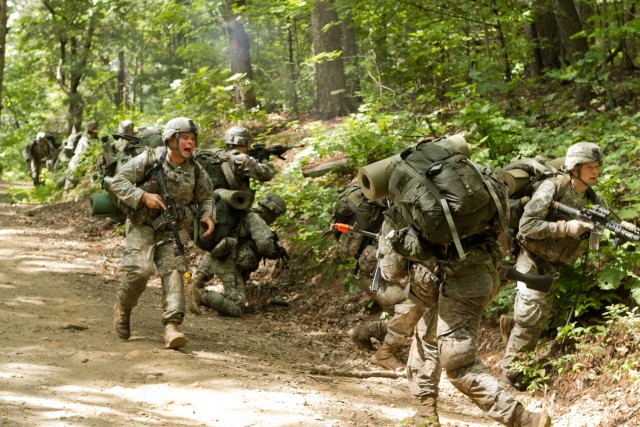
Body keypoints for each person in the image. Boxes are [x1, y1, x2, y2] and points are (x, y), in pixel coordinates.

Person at [377, 139, 551, 426]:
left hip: (457, 285)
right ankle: (425, 414)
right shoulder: (470, 189)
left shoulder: (401, 214)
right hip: (477, 275)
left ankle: (523, 419)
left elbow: (392, 272)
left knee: (458, 363)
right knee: (426, 340)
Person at [499, 142, 603, 389]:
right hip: (532, 258)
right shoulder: (551, 187)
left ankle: (511, 327)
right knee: (531, 317)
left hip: (555, 266)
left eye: (597, 167)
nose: (595, 172)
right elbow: (527, 226)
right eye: (589, 167)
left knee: (538, 318)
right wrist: (565, 228)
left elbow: (611, 220)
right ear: (574, 168)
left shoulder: (591, 197)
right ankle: (508, 376)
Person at [110, 117, 215, 349]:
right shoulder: (150, 159)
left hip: (172, 229)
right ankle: (123, 308)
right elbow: (117, 182)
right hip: (142, 225)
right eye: (185, 138)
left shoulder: (195, 170)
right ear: (171, 140)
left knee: (175, 272)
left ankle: (171, 327)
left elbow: (206, 195)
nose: (190, 143)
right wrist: (143, 196)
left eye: (193, 139)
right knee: (140, 270)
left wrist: (208, 215)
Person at [332, 180, 418, 371]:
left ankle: (364, 332)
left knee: (408, 311)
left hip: (374, 273)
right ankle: (384, 354)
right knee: (414, 310)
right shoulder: (393, 214)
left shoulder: (389, 208)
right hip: (379, 276)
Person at [188, 193, 287, 317]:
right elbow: (265, 245)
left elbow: (215, 249)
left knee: (233, 295)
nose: (275, 219)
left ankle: (198, 287)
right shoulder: (255, 219)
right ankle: (201, 296)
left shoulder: (241, 214)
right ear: (271, 211)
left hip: (219, 257)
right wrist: (275, 252)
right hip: (230, 264)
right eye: (276, 216)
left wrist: (201, 277)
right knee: (237, 308)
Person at [63, 120, 100, 194]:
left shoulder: (94, 139)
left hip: (82, 167)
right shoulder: (84, 140)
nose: (98, 130)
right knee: (68, 190)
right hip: (75, 167)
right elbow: (88, 152)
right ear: (91, 129)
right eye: (96, 128)